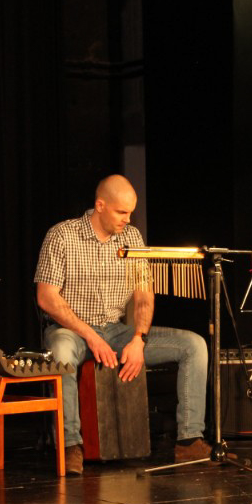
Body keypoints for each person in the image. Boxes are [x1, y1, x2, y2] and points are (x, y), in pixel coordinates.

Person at [35, 174, 210, 474]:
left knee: (194, 345)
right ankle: (70, 445)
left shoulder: (132, 238)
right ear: (100, 205)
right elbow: (46, 297)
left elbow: (143, 295)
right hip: (72, 330)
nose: (128, 219)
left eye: (131, 212)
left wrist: (139, 338)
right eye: (122, 212)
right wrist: (90, 335)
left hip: (116, 331)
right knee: (62, 352)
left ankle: (189, 440)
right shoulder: (62, 235)